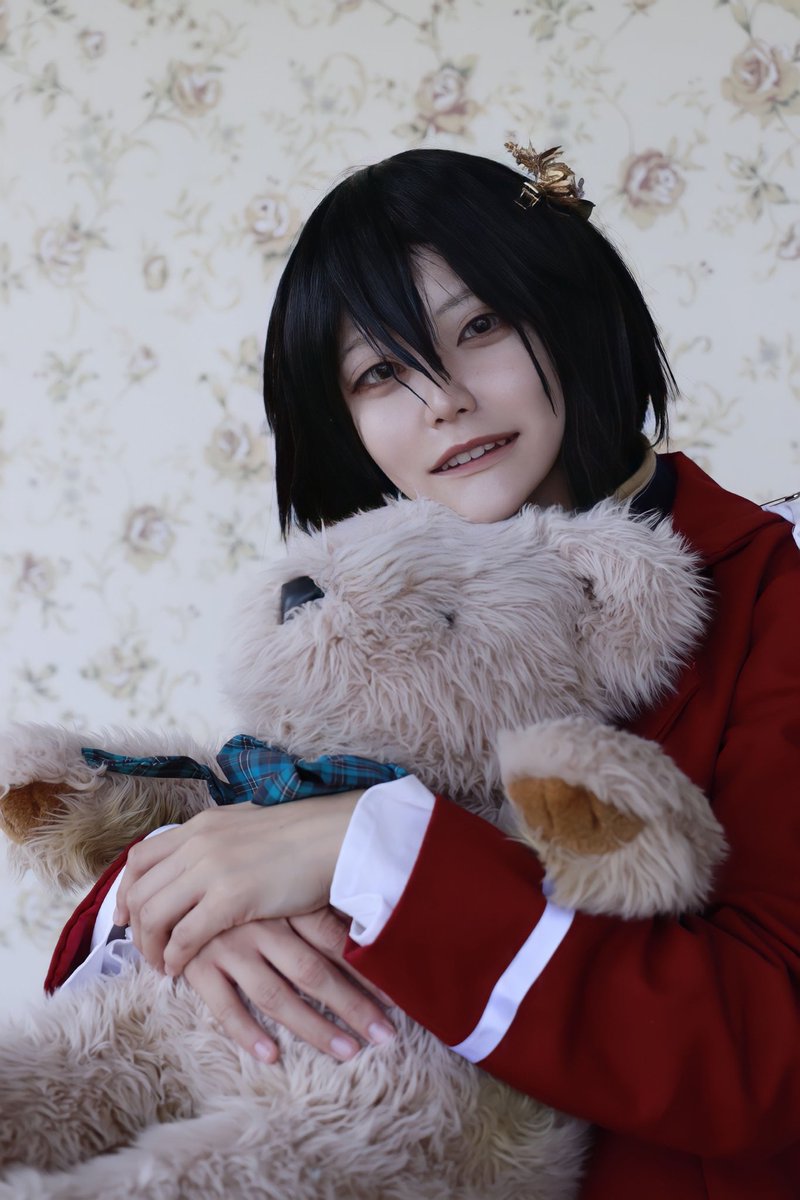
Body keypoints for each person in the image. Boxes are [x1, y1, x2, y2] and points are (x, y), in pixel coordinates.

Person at [112, 146, 800, 1199]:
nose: (442, 399)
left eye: (479, 327)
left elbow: (765, 1056)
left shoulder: (771, 590)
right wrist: (199, 919)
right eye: (378, 373)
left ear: (569, 311)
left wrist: (365, 847)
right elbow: (223, 831)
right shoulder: (360, 618)